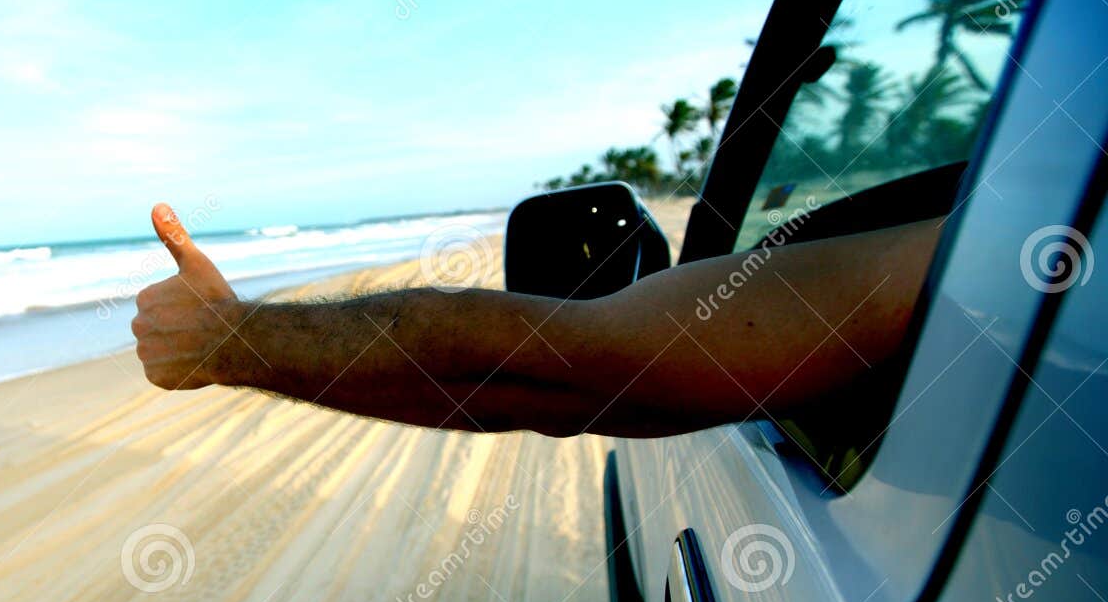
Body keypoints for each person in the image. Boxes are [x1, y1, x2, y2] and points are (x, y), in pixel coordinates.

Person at [131, 202, 943, 438]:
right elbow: (530, 384)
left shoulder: (965, 253)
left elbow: (549, 369)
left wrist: (227, 338)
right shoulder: (1000, 250)